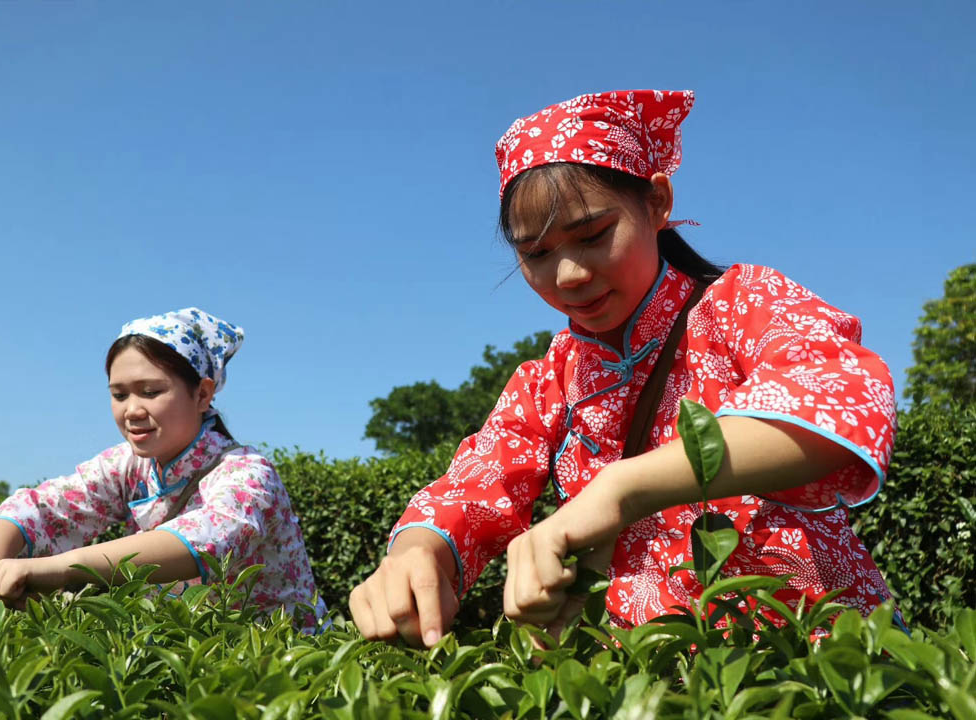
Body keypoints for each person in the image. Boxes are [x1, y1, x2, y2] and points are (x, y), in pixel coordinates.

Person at [349, 90, 899, 647]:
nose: (566, 274)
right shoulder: (549, 380)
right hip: (650, 682)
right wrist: (417, 552)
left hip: (818, 659)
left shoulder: (742, 305)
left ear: (657, 202)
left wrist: (621, 489)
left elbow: (839, 404)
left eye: (592, 236)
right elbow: (477, 483)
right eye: (536, 254)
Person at [0, 308, 324, 623]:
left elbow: (206, 538)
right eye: (119, 394)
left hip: (286, 666)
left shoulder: (246, 472)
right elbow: (40, 507)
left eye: (151, 392)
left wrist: (59, 570)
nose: (132, 410)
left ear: (203, 394)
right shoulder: (128, 466)